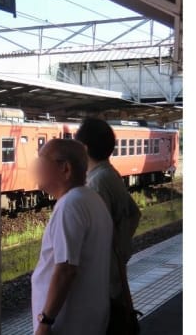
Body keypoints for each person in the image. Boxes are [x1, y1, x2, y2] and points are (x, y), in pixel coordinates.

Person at [31, 139, 114, 335]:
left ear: (65, 168)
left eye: (42, 163)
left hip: (68, 324)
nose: (36, 170)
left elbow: (66, 270)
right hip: (87, 319)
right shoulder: (91, 198)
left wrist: (45, 321)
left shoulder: (70, 205)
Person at [75, 118, 142, 333]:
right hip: (113, 271)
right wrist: (121, 249)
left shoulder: (96, 182)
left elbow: (96, 231)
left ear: (84, 148)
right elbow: (134, 213)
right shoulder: (110, 174)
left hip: (102, 276)